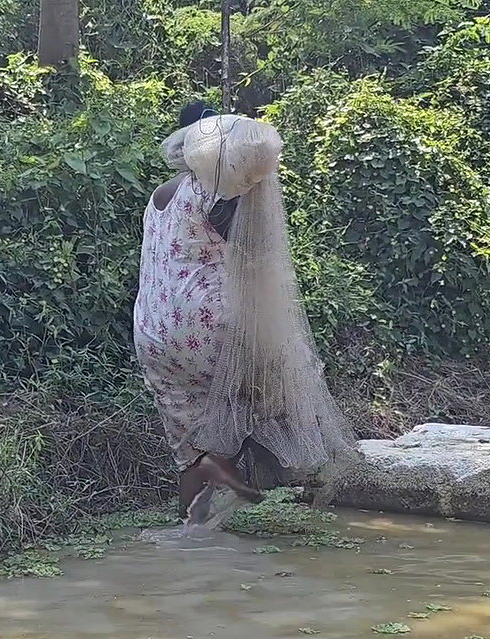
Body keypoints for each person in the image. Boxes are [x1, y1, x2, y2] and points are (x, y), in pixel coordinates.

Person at [133, 100, 359, 521]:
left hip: (155, 333)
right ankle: (289, 494)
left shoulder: (161, 195)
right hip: (208, 324)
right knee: (271, 396)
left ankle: (193, 533)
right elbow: (251, 253)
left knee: (192, 443)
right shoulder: (214, 192)